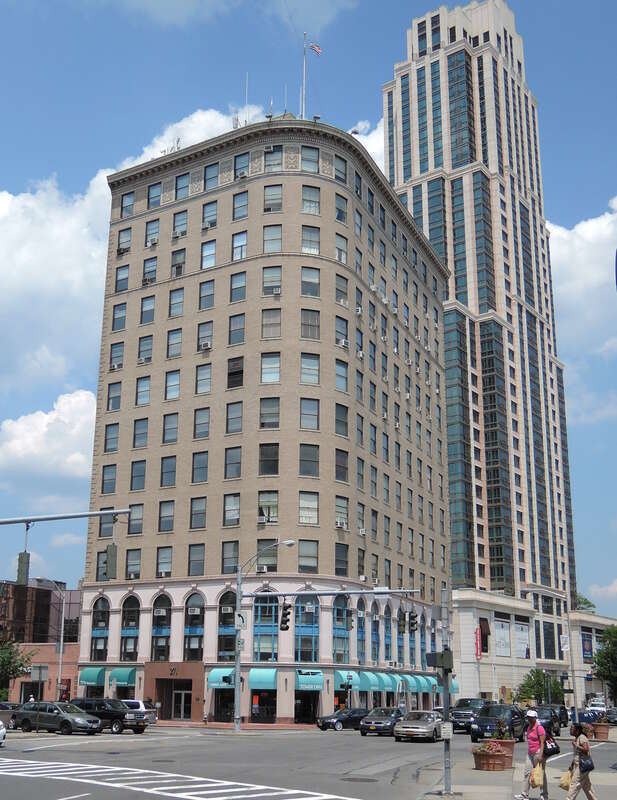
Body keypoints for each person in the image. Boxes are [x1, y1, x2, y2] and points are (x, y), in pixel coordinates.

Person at [515, 709, 548, 800]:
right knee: (527, 772)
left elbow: (542, 743)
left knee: (541, 774)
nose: (529, 719)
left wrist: (540, 755)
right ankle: (524, 794)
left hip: (538, 752)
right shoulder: (529, 727)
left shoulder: (539, 728)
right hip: (530, 753)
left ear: (535, 718)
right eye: (528, 717)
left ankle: (544, 795)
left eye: (531, 717)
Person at [566, 723, 597, 800]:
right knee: (587, 787)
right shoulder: (577, 738)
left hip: (582, 766)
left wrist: (576, 746)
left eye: (572, 728)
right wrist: (572, 765)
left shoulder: (582, 737)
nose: (570, 730)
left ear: (577, 730)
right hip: (578, 765)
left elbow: (586, 750)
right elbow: (577, 754)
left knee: (574, 784)